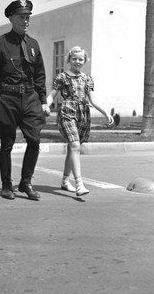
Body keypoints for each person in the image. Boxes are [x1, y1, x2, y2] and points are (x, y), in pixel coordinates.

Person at [0, 0, 49, 200]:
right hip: (7, 98)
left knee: (34, 140)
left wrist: (43, 99)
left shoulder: (33, 44)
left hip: (29, 98)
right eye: (21, 17)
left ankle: (26, 182)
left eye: (28, 17)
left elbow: (39, 74)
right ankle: (6, 185)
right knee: (7, 142)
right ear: (11, 18)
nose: (26, 21)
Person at [46, 46, 114, 196]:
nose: (77, 62)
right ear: (69, 59)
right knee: (75, 145)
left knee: (73, 148)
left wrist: (105, 112)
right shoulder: (62, 77)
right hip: (67, 112)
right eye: (74, 59)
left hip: (83, 113)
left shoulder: (87, 78)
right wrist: (46, 105)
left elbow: (93, 99)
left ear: (85, 60)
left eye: (80, 59)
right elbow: (52, 94)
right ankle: (79, 184)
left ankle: (65, 181)